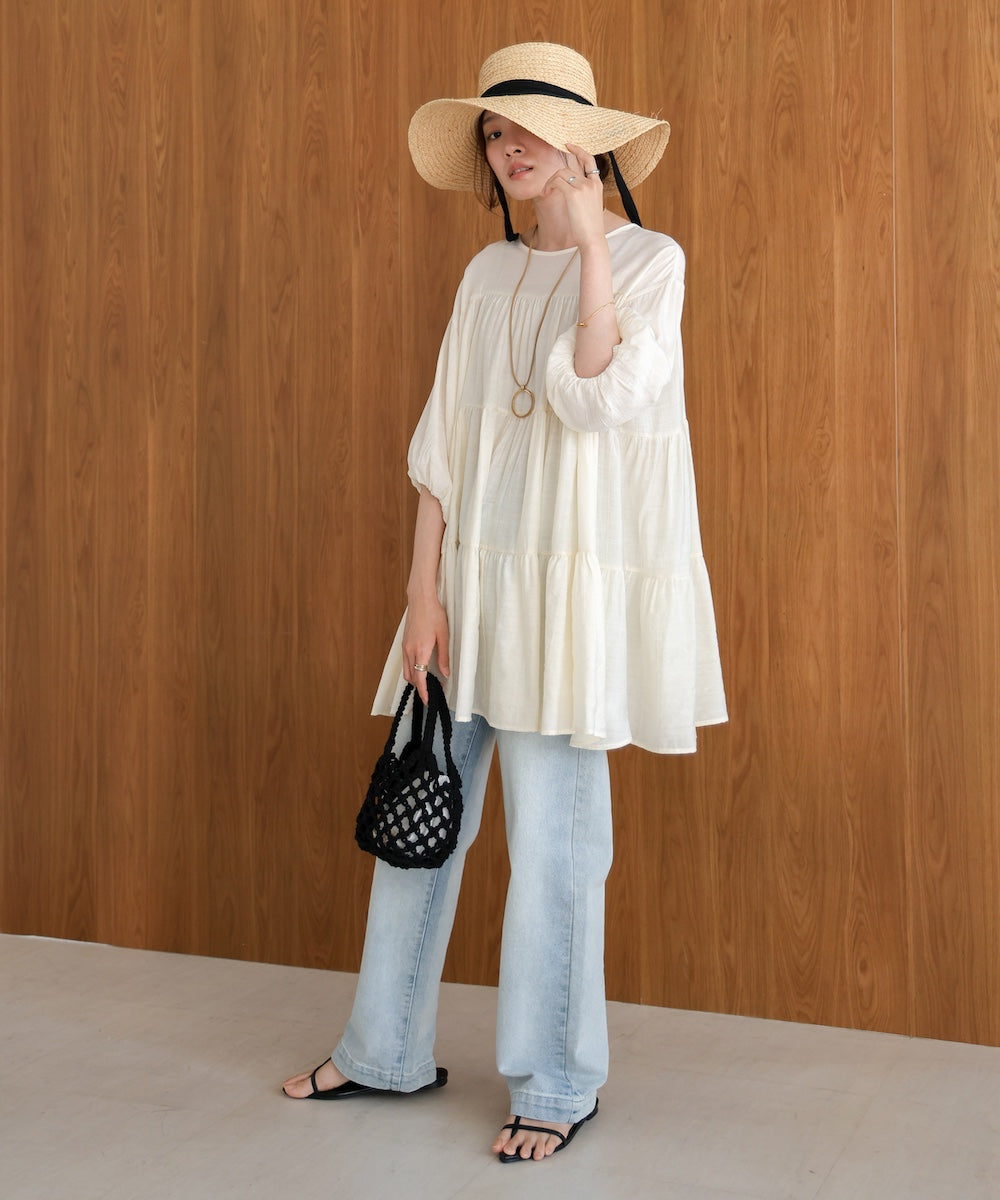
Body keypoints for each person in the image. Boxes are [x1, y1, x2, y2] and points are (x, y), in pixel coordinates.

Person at [282, 41, 727, 1163]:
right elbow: (444, 443)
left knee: (557, 852)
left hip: (564, 600)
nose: (509, 146)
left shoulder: (650, 262)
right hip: (467, 586)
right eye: (494, 130)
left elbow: (597, 398)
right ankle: (382, 1049)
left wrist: (588, 244)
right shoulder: (484, 275)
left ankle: (556, 1082)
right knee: (417, 825)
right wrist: (420, 592)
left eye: (528, 127)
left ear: (583, 144)